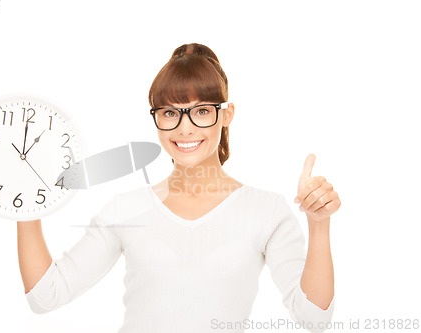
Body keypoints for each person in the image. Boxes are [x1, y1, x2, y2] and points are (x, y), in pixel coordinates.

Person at [18, 43, 340, 333]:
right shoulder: (126, 209)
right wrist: (23, 202)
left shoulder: (266, 211)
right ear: (156, 117)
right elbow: (46, 296)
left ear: (226, 115)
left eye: (201, 111)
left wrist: (319, 222)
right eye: (170, 113)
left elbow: (313, 318)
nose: (185, 129)